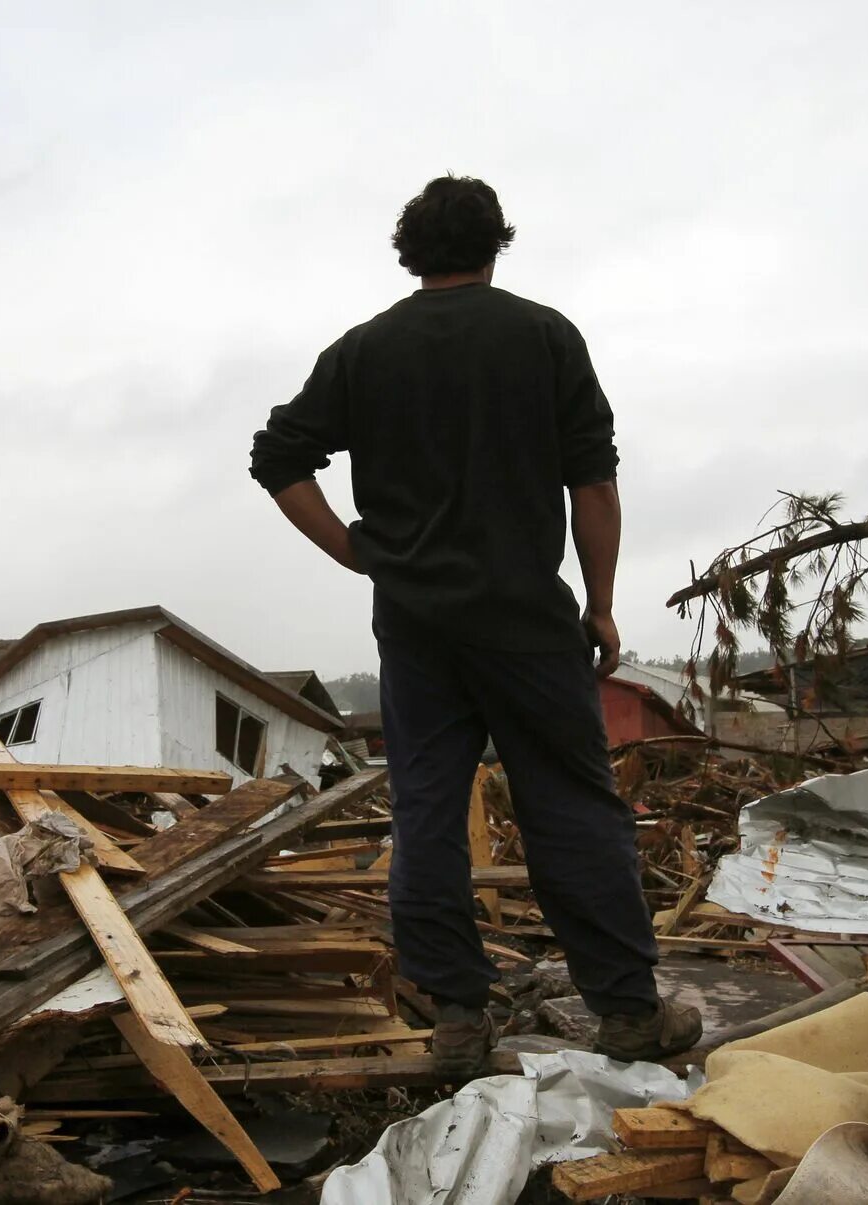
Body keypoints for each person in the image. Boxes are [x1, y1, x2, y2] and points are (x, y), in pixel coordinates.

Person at [248, 175, 701, 1075]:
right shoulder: (542, 335)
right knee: (572, 809)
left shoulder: (364, 351)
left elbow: (277, 457)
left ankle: (457, 1018)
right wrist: (601, 602)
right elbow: (594, 485)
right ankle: (625, 1014)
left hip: (415, 628)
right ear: (497, 242)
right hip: (527, 621)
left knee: (425, 814)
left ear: (410, 250)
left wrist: (354, 550)